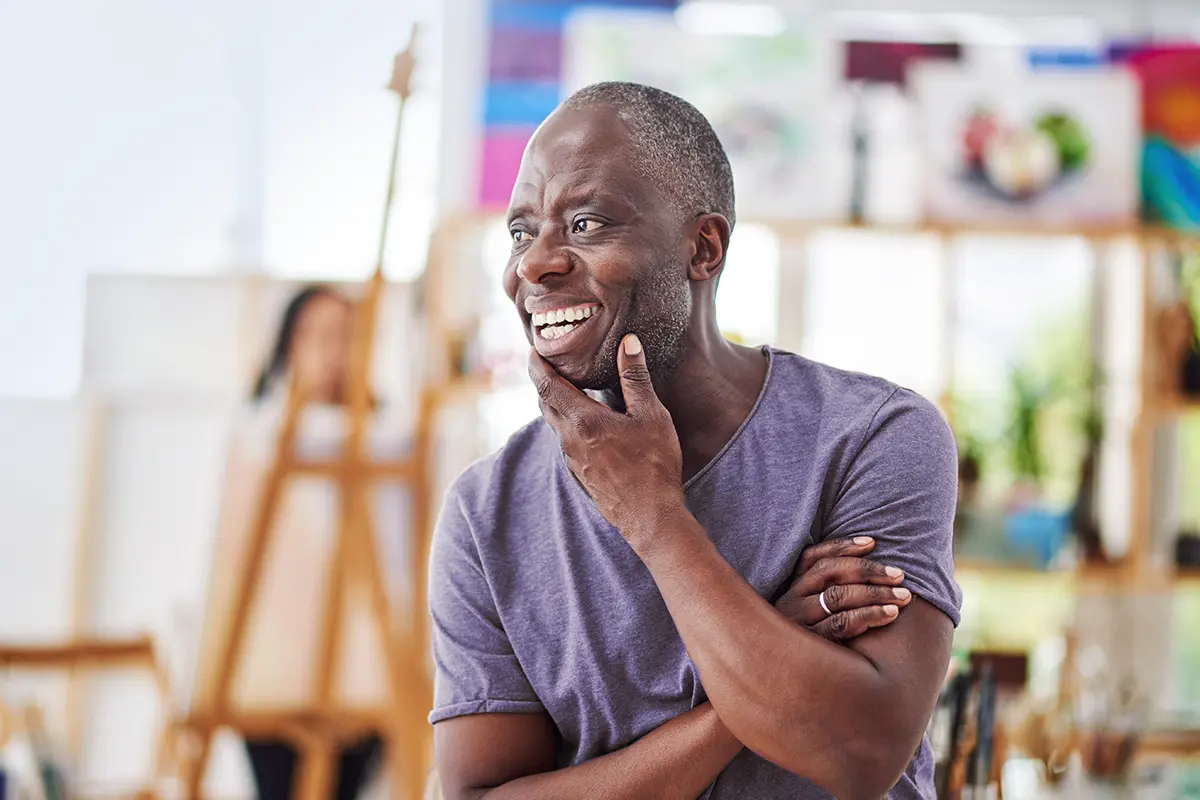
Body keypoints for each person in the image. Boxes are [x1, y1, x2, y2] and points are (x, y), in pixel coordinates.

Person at [429, 82, 961, 799]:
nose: (534, 264)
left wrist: (653, 516)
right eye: (522, 231)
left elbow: (860, 751)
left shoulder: (872, 437)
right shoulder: (485, 511)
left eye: (586, 223)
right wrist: (760, 677)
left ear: (703, 249)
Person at [242, 285, 381, 800]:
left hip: (364, 675)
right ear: (288, 346)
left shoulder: (390, 448)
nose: (332, 351)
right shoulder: (255, 440)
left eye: (346, 337)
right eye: (318, 336)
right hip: (269, 673)